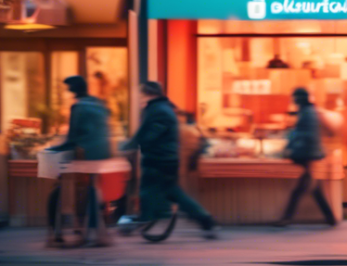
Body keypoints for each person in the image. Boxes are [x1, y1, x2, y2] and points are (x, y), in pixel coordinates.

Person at [122, 82, 218, 239]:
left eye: (142, 93)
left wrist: (131, 145)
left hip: (159, 160)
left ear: (149, 93)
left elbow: (150, 134)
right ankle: (205, 219)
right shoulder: (160, 108)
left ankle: (144, 219)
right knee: (173, 193)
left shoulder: (158, 110)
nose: (139, 96)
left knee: (148, 190)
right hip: (165, 160)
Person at [46, 75, 113, 246]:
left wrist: (51, 149)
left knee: (60, 187)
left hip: (86, 155)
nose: (67, 91)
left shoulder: (78, 107)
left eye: (68, 88)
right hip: (103, 153)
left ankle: (57, 230)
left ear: (73, 89)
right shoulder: (99, 103)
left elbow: (72, 138)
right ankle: (93, 230)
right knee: (91, 187)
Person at [274, 88, 337, 227]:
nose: (294, 100)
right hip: (311, 154)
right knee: (315, 188)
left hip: (308, 154)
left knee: (301, 189)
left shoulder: (306, 112)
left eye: (295, 98)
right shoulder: (309, 111)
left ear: (300, 98)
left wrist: (289, 146)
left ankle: (287, 218)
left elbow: (301, 134)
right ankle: (331, 218)